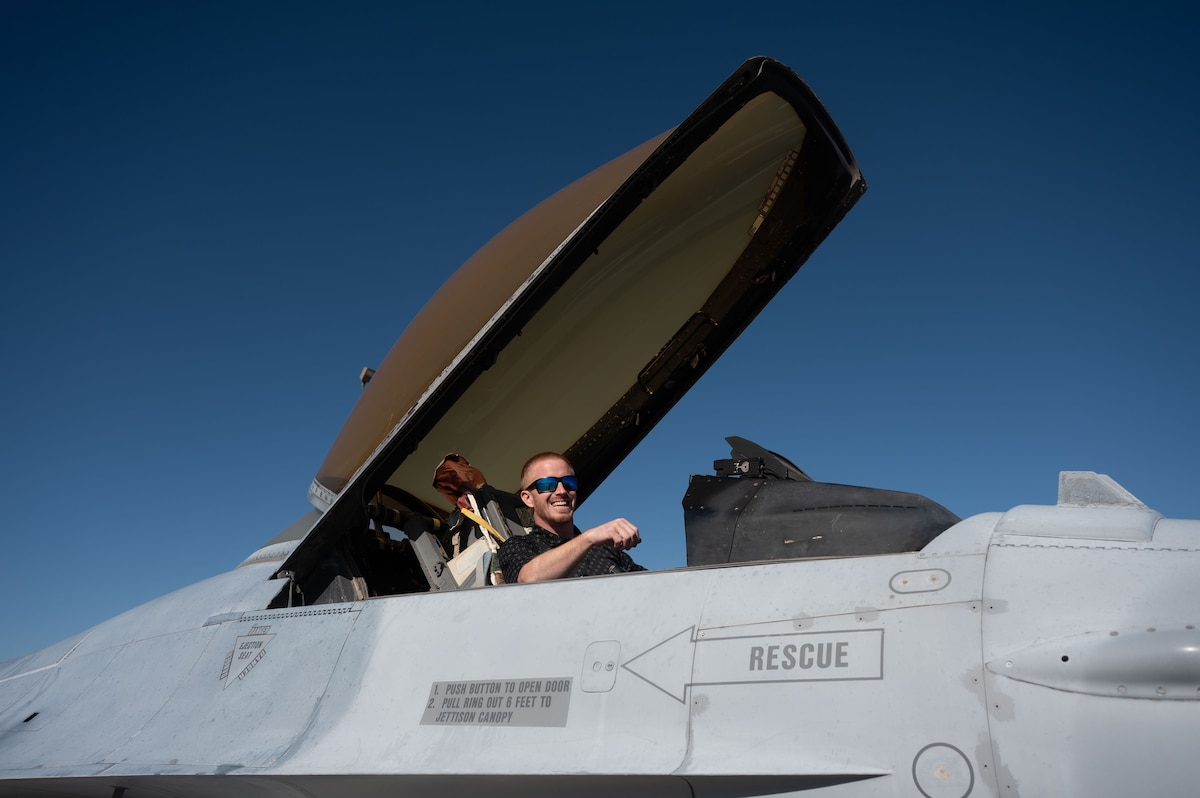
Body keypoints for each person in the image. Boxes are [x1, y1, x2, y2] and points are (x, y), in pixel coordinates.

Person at [497, 452, 644, 583]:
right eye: (547, 484)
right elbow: (528, 579)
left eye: (569, 483)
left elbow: (650, 588)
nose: (561, 491)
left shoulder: (606, 550)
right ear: (528, 498)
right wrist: (589, 538)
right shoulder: (517, 546)